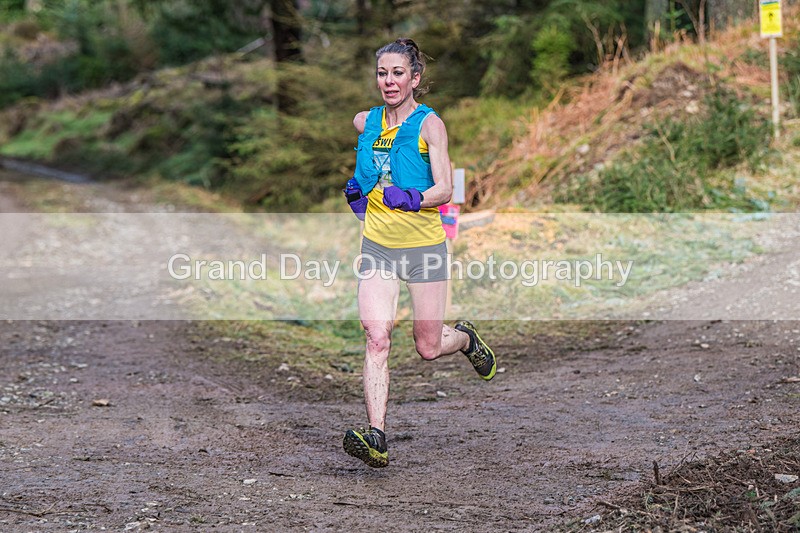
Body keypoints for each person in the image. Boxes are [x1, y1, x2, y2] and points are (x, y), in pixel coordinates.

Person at [342, 38, 497, 468]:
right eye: (381, 73)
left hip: (425, 249)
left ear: (415, 77)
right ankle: (376, 436)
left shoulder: (431, 125)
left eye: (397, 73)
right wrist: (358, 200)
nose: (388, 81)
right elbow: (372, 183)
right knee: (376, 337)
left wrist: (414, 198)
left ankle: (464, 337)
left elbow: (445, 189)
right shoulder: (364, 122)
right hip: (377, 248)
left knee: (428, 347)